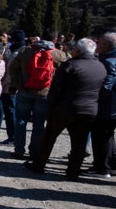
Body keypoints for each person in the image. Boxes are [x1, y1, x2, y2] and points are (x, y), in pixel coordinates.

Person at [24, 38, 106, 178]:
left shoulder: (71, 65)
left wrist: (51, 106)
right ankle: (73, 171)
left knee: (49, 136)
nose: (72, 50)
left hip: (66, 108)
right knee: (79, 142)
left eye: (74, 49)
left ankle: (39, 165)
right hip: (89, 109)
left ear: (78, 51)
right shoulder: (100, 66)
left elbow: (57, 88)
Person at [88, 32, 116, 177]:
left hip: (109, 106)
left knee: (101, 136)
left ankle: (102, 168)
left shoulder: (110, 62)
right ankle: (114, 164)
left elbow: (106, 86)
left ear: (106, 46)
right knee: (109, 135)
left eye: (99, 43)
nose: (97, 45)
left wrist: (94, 99)